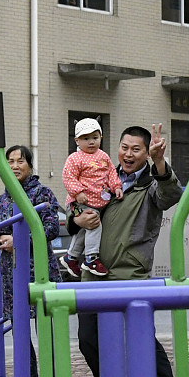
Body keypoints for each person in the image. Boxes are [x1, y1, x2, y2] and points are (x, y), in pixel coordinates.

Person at [71, 124, 180, 377]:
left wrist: (160, 163)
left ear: (146, 153)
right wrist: (77, 220)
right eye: (124, 147)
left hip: (129, 272)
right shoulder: (102, 174)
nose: (128, 154)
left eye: (136, 149)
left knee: (139, 337)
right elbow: (75, 208)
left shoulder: (150, 184)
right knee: (89, 339)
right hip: (93, 273)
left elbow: (171, 196)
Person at [0, 145, 63, 377]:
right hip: (11, 273)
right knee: (18, 327)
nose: (15, 166)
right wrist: (0, 239)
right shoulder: (2, 200)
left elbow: (51, 228)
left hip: (39, 269)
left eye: (20, 161)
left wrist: (19, 241)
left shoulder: (42, 194)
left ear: (30, 165)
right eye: (10, 161)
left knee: (46, 328)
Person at [60, 118, 122, 277]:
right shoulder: (75, 158)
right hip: (79, 202)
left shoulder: (104, 156)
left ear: (101, 138)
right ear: (77, 141)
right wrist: (78, 192)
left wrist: (117, 187)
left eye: (95, 138)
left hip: (98, 202)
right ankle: (91, 258)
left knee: (85, 229)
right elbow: (68, 177)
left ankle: (71, 257)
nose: (91, 142)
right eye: (85, 139)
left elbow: (111, 174)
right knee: (94, 224)